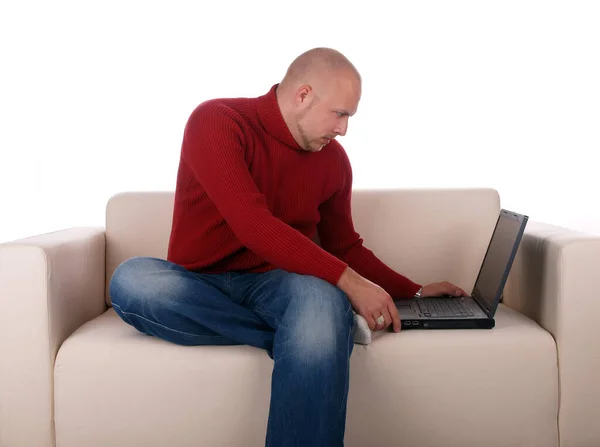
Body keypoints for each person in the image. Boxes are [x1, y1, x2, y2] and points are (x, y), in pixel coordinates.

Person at [109, 47, 467, 447]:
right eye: (341, 114)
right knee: (133, 279)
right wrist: (350, 287)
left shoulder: (334, 162)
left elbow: (345, 246)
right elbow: (253, 225)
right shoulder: (217, 121)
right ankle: (325, 332)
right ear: (303, 95)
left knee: (318, 304)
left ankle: (318, 327)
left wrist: (413, 291)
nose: (345, 129)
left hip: (282, 286)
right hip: (200, 285)